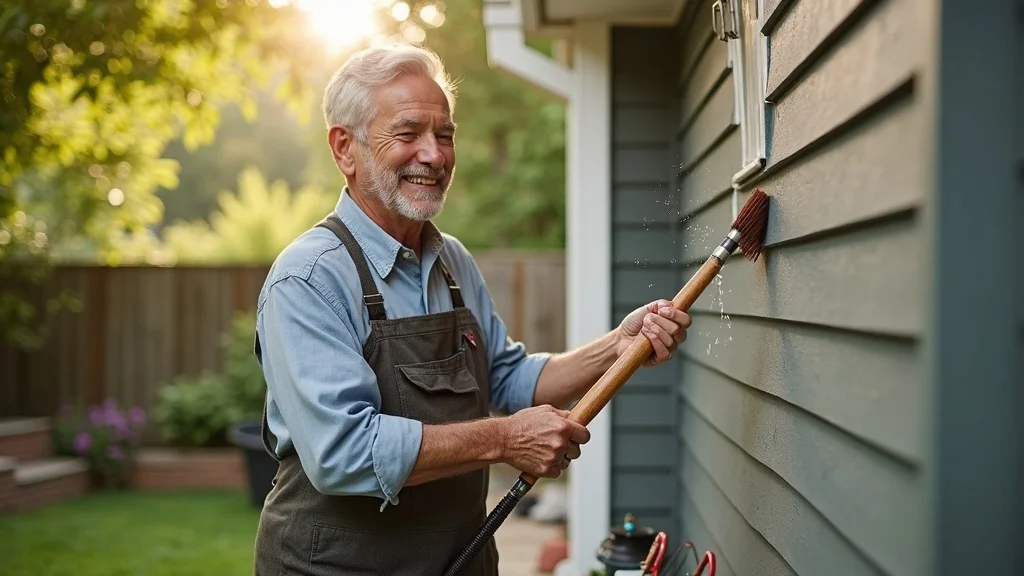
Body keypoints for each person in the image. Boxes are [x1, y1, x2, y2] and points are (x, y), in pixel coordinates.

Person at [252, 43, 691, 576]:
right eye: (409, 133)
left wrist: (617, 347)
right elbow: (342, 452)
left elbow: (506, 377)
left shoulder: (450, 261)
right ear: (345, 148)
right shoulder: (310, 277)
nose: (434, 155)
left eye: (445, 135)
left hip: (460, 560)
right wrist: (505, 438)